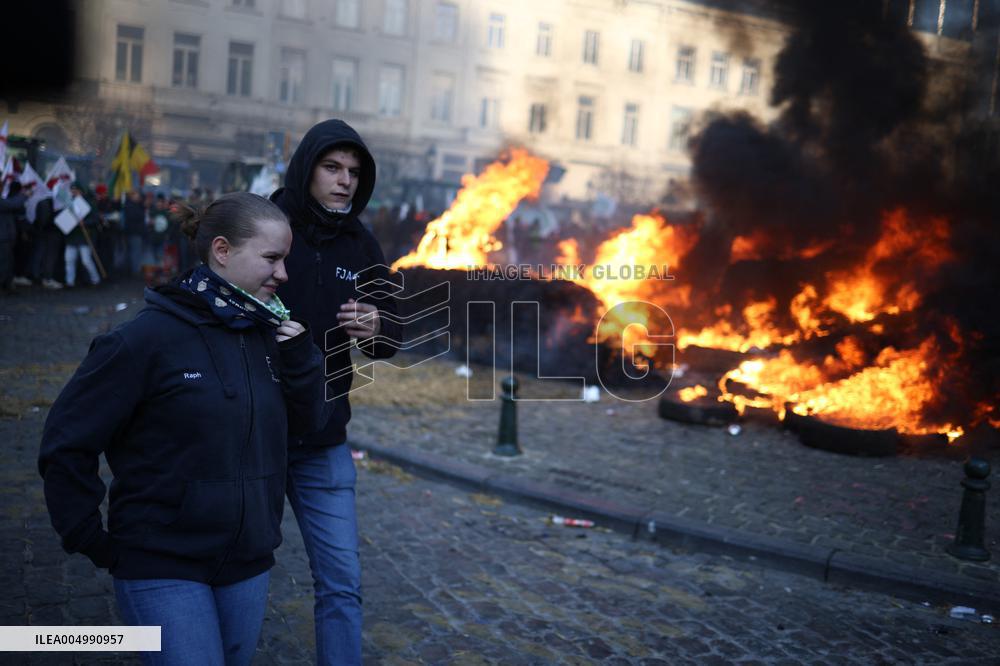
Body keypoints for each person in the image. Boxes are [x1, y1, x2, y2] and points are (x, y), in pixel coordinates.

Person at [39, 192, 326, 666]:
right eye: (272, 258)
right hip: (161, 562)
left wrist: (301, 363)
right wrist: (91, 538)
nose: (283, 274)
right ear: (222, 251)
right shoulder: (145, 339)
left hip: (248, 563)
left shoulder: (273, 334)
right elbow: (67, 441)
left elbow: (308, 427)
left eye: (285, 260)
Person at [271, 119, 401, 665]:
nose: (345, 181)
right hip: (251, 433)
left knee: (342, 584)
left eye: (354, 172)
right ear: (307, 167)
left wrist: (378, 328)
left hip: (324, 438)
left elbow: (393, 331)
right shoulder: (267, 223)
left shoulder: (363, 243)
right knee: (231, 571)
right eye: (332, 168)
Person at [63, 183, 102, 288]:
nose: (73, 192)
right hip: (72, 236)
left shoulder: (89, 203)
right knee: (69, 260)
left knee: (86, 260)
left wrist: (85, 223)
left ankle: (95, 280)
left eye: (75, 190)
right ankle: (69, 282)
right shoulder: (69, 203)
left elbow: (95, 219)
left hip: (85, 236)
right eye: (72, 190)